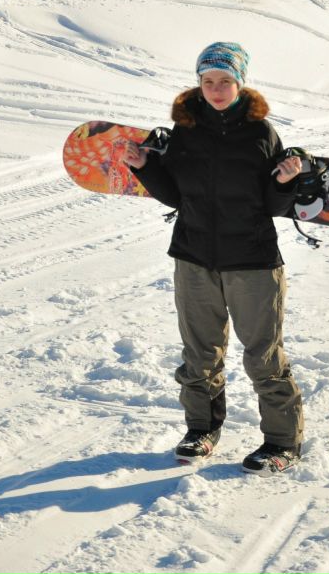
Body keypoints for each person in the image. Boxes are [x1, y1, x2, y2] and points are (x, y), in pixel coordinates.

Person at [124, 42, 304, 476]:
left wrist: (285, 181)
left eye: (225, 81)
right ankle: (201, 430)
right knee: (199, 352)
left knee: (263, 355)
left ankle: (283, 441)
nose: (217, 89)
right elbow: (175, 194)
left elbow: (273, 205)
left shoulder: (260, 133)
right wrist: (145, 167)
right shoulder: (185, 131)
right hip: (193, 256)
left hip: (253, 260)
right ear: (198, 83)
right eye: (208, 81)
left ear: (240, 84)